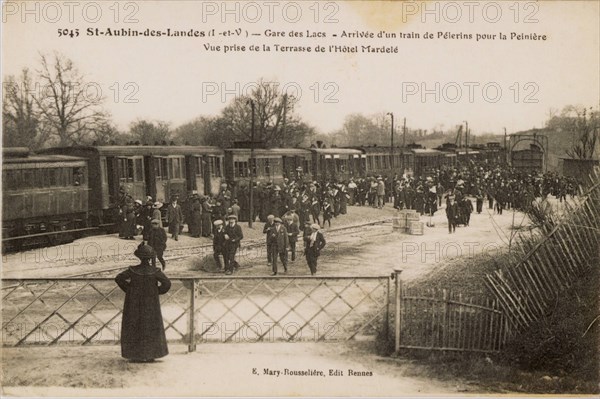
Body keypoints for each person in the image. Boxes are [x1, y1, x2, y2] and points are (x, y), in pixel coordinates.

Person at [115, 242, 171, 363]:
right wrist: (157, 292)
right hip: (151, 304)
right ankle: (151, 354)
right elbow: (167, 283)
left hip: (133, 303)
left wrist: (128, 289)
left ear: (139, 258)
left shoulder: (132, 270)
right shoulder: (155, 271)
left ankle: (135, 355)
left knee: (135, 325)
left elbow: (118, 278)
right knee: (151, 326)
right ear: (151, 258)